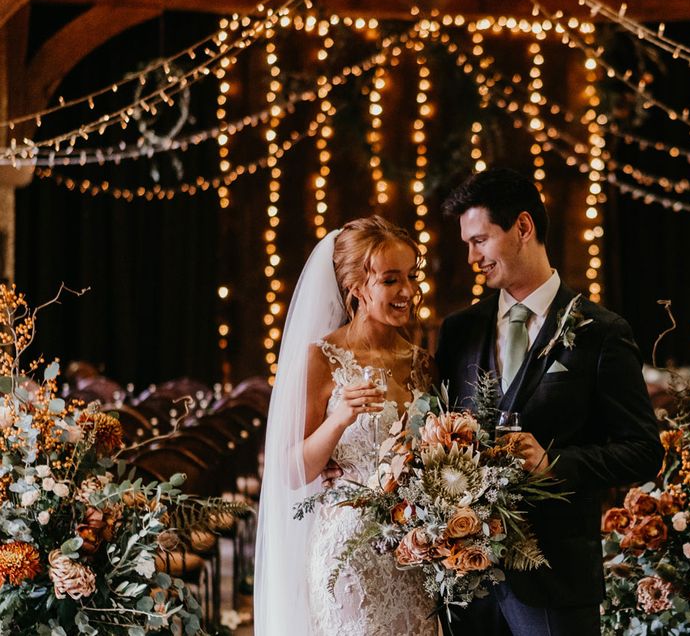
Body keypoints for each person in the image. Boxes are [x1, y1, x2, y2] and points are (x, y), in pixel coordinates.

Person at [436, 167, 664, 636]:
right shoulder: (458, 332)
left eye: (480, 240)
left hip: (556, 581)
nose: (471, 257)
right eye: (467, 244)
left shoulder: (602, 333)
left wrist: (554, 464)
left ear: (523, 227)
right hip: (466, 585)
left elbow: (645, 451)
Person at [253, 216, 439, 636]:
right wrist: (338, 421)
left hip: (413, 553)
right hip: (348, 560)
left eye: (411, 277)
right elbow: (289, 470)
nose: (407, 292)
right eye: (391, 280)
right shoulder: (322, 358)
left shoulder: (423, 363)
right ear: (357, 287)